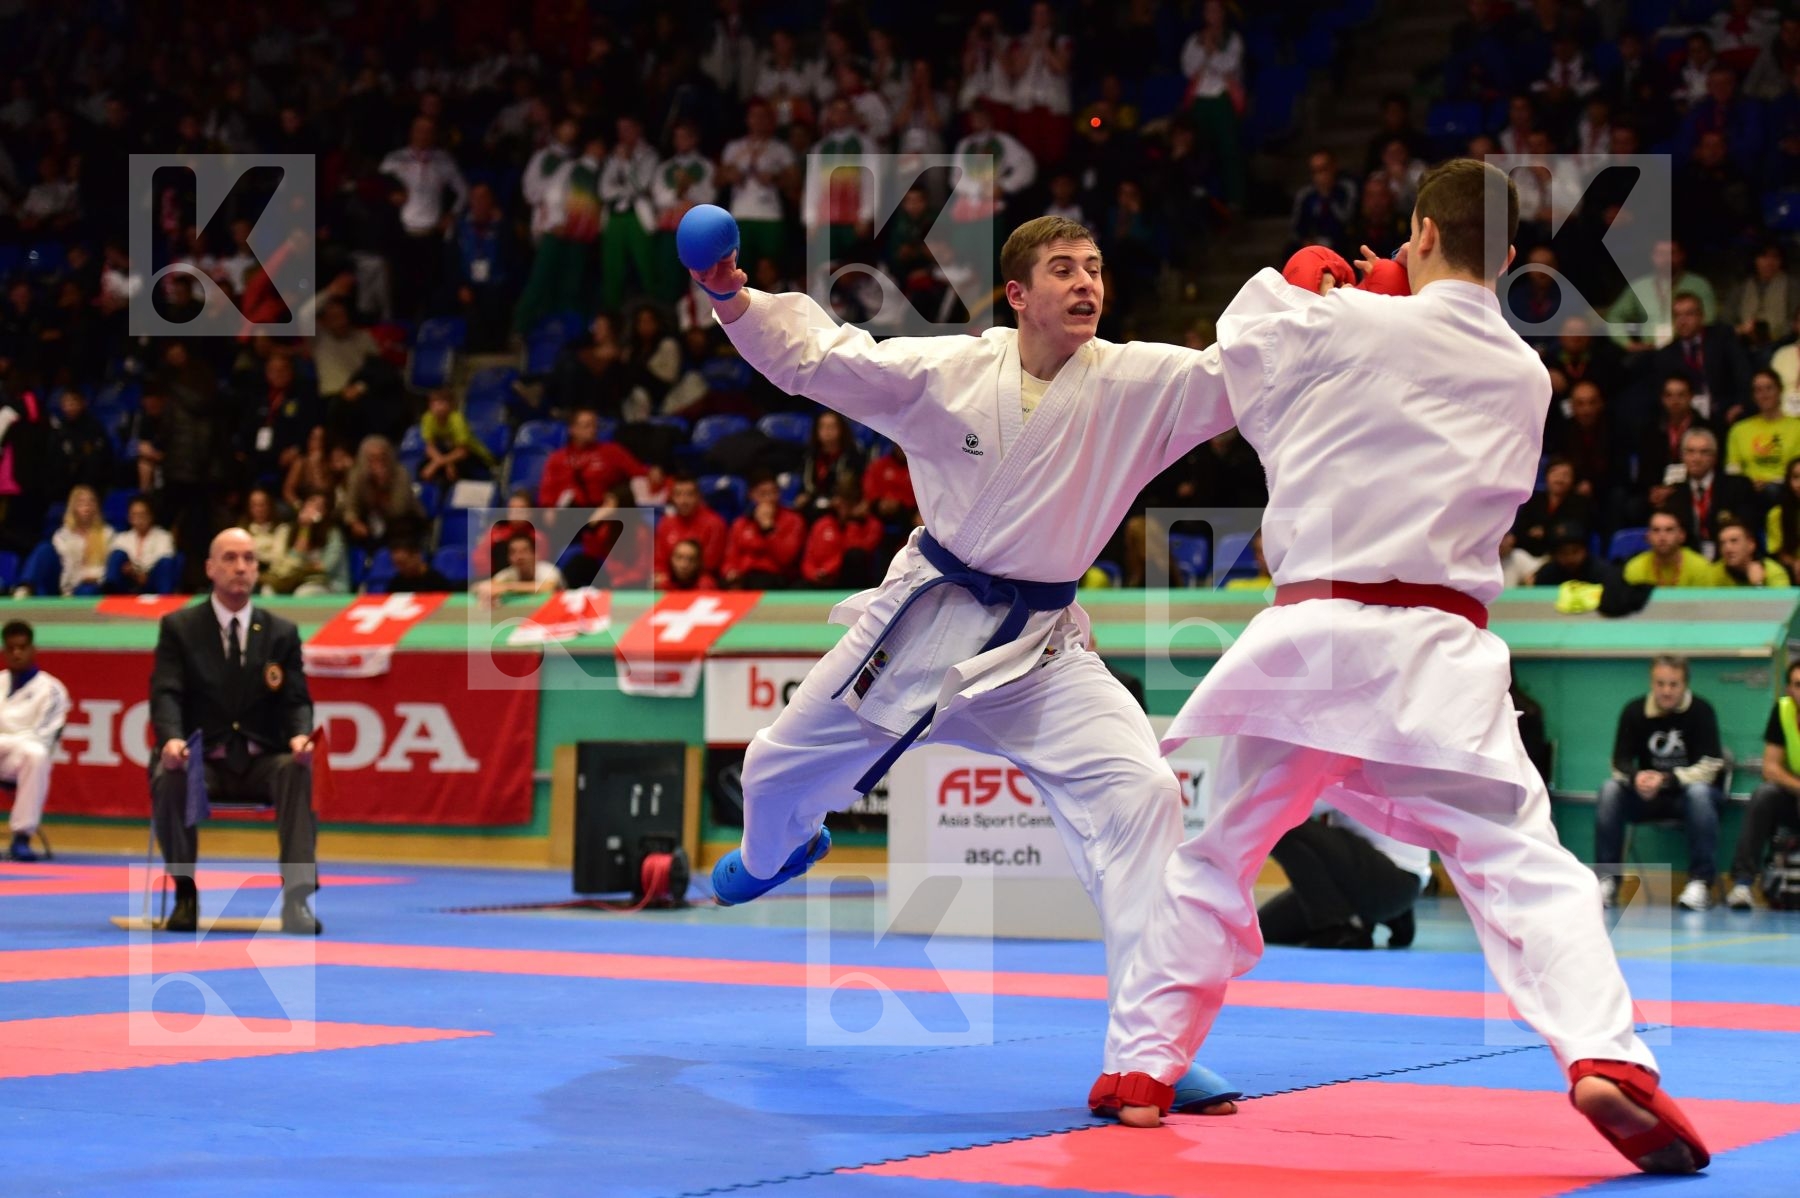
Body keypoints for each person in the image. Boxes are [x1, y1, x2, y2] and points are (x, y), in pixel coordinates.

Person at [1090, 160, 1709, 1175]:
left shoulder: (1337, 323)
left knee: (1216, 854)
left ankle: (1142, 1069)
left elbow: (1239, 356)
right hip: (1439, 654)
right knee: (1525, 866)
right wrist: (1378, 299)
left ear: (1418, 230)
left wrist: (1310, 278)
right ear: (1508, 257)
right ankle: (1610, 1055)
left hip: (1312, 643)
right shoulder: (1528, 372)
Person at [686, 213, 1244, 1116]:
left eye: (1095, 267)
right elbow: (824, 358)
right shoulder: (948, 373)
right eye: (1062, 269)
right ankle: (773, 853)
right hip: (925, 632)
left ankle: (1155, 1042)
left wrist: (1320, 303)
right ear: (1018, 295)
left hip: (1043, 653)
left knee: (1144, 793)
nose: (1085, 283)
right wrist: (730, 295)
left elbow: (1238, 375)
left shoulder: (1142, 381)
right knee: (772, 768)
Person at [150, 529, 320, 935]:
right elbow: (166, 692)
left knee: (297, 770)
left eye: (248, 559)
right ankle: (185, 894)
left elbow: (295, 699)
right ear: (210, 568)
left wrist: (300, 735)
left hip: (262, 759)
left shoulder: (280, 632)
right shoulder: (181, 627)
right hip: (201, 760)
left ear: (257, 569)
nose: (240, 567)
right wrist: (171, 739)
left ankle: (297, 901)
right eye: (229, 558)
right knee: (168, 772)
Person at [1593, 656, 1727, 911]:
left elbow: (1711, 766)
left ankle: (1700, 883)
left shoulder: (1701, 711)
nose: (1666, 691)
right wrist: (1637, 777)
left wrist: (1666, 779)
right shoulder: (1634, 710)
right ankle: (1607, 880)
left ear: (1685, 684)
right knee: (1610, 790)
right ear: (1652, 682)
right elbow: (1619, 762)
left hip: (1688, 799)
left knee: (1699, 793)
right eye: (1660, 683)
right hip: (1646, 797)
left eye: (1673, 685)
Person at [1258, 804, 1431, 949]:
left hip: (1390, 877)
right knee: (1264, 929)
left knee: (1279, 822)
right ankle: (1395, 917)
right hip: (1393, 883)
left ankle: (1340, 927)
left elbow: (1296, 804)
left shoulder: (1344, 765)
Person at [1724, 659, 1800, 909]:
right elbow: (1770, 768)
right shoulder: (1783, 710)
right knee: (1764, 795)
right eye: (1799, 685)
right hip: (1795, 793)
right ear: (1789, 689)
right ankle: (1743, 884)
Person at [1, 620, 70, 862]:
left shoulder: (51, 690)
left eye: (22, 647)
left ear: (33, 649)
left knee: (37, 754)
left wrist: (7, 740)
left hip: (18, 758)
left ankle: (21, 838)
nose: (17, 653)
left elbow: (42, 737)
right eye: (11, 648)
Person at [1621, 510, 1712, 587]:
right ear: (1648, 537)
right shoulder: (1635, 568)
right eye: (1656, 530)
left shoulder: (1700, 567)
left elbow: (1705, 605)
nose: (1662, 536)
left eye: (1669, 530)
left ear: (1682, 535)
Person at [476, 531, 564, 608]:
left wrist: (507, 587)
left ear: (534, 554)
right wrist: (486, 589)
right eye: (513, 552)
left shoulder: (547, 569)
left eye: (524, 551)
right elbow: (489, 585)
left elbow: (548, 587)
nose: (519, 557)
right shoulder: (509, 573)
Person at [1708, 518, 1793, 586]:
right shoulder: (1714, 574)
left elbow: (1780, 606)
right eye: (1722, 543)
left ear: (1751, 545)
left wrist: (1758, 585)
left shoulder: (1773, 572)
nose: (1727, 548)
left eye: (1734, 541)